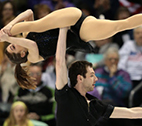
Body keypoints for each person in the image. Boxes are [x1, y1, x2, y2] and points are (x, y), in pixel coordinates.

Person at [1, 7, 142, 89]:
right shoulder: (32, 56)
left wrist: (8, 26)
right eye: (13, 46)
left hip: (66, 20)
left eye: (11, 44)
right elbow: (31, 44)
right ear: (21, 54)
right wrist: (8, 37)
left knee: (29, 26)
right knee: (120, 25)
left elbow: (29, 12)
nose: (13, 42)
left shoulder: (25, 32)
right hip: (80, 30)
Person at [53, 27, 142, 126]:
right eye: (91, 75)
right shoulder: (65, 95)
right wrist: (63, 29)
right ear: (80, 78)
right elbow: (60, 62)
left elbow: (131, 113)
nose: (96, 79)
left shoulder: (96, 106)